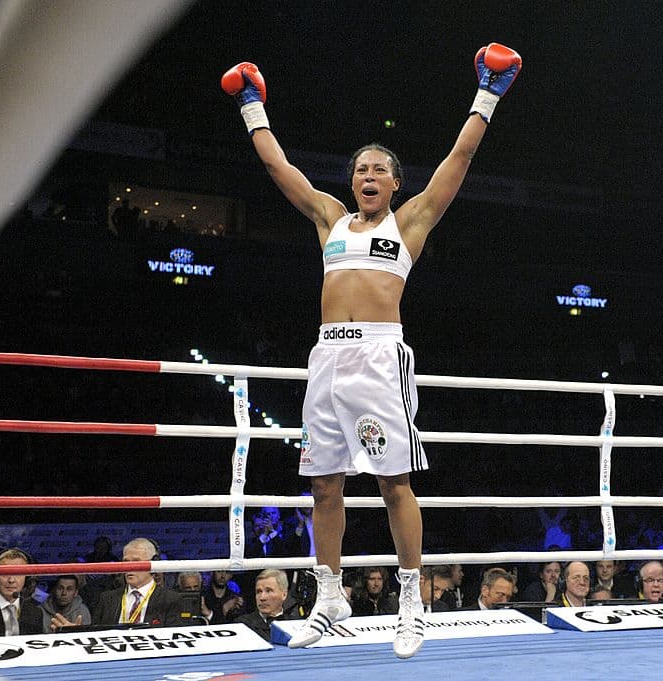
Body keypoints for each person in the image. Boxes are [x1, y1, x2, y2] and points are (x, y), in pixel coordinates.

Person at [220, 41, 521, 660]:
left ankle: (414, 600)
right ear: (350, 180)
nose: (369, 177)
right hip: (327, 358)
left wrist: (487, 93)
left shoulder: (408, 224)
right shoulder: (328, 219)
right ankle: (330, 596)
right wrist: (253, 106)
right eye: (361, 169)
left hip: (381, 359)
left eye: (380, 170)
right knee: (323, 487)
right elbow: (280, 170)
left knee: (392, 484)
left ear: (395, 183)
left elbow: (459, 159)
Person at [76, 538, 186, 627]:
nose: (129, 567)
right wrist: (75, 633)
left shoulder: (171, 599)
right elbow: (96, 634)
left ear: (153, 564)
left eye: (136, 562)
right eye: (126, 562)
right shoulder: (107, 599)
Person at [235, 569, 301, 640]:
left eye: (268, 591)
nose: (262, 598)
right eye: (259, 591)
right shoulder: (242, 625)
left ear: (284, 595)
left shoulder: (298, 624)